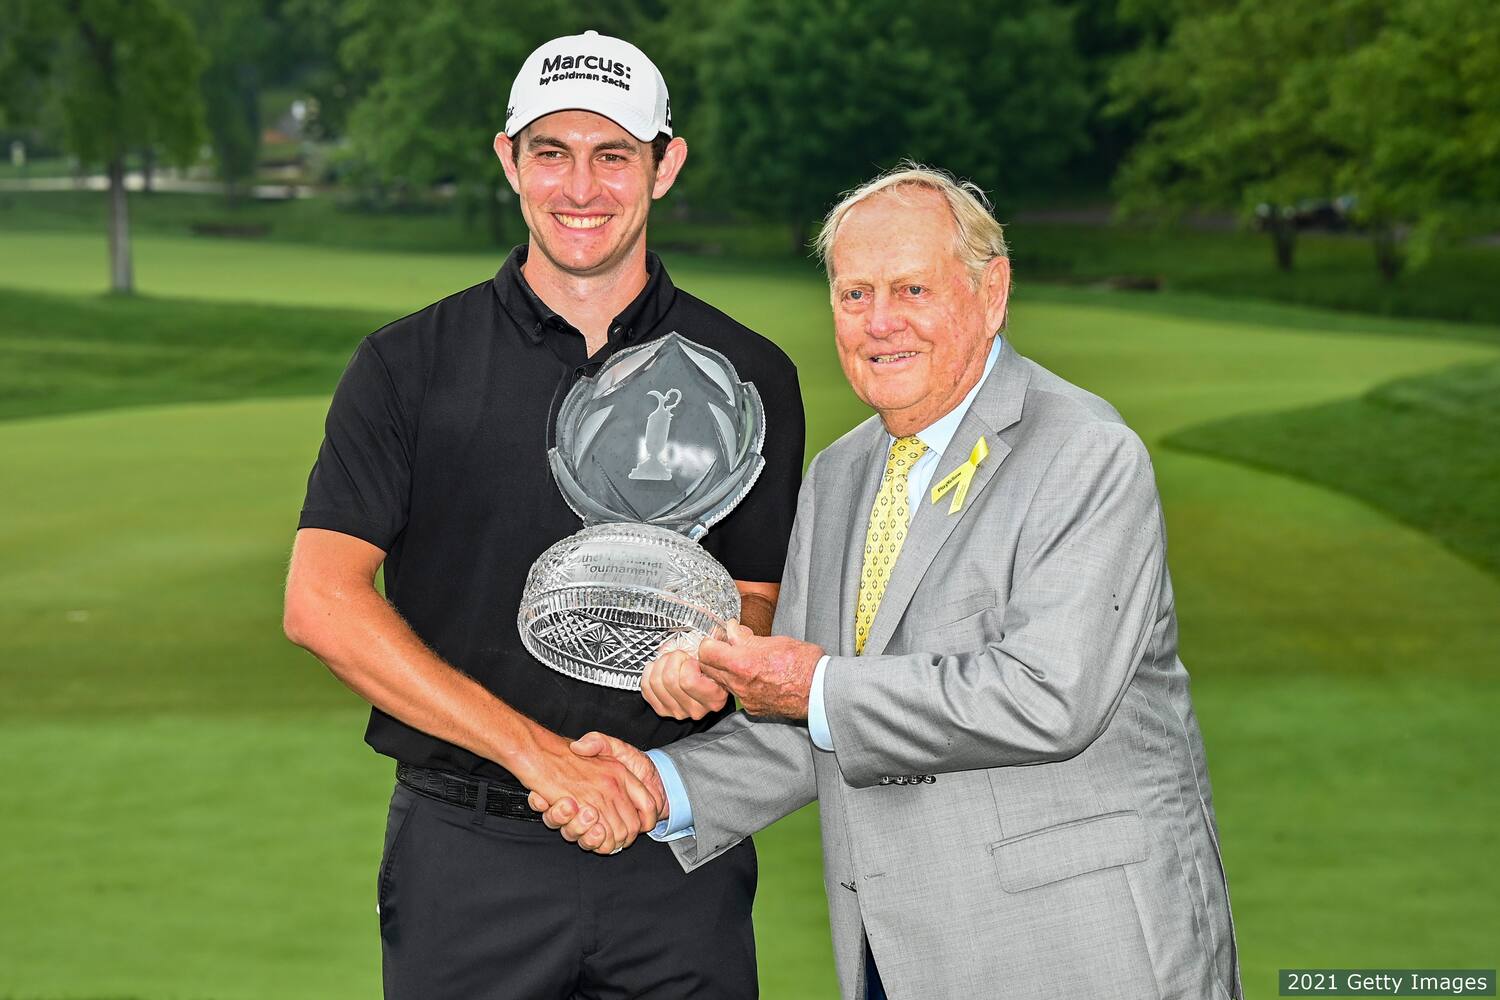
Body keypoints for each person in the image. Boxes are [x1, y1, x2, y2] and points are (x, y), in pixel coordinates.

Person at [537, 166, 1241, 1000]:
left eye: (912, 289)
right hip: (897, 960)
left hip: (1078, 955)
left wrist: (809, 683)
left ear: (992, 291)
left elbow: (1050, 694)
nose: (880, 323)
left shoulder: (1085, 453)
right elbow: (809, 724)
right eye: (853, 294)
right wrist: (660, 786)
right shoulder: (840, 477)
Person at [282, 29, 804, 1000]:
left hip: (674, 843)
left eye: (614, 155)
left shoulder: (750, 377)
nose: (581, 187)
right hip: (467, 850)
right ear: (507, 159)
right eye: (551, 152)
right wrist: (541, 759)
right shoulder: (407, 365)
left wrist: (716, 661)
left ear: (666, 164)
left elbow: (759, 598)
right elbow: (321, 601)